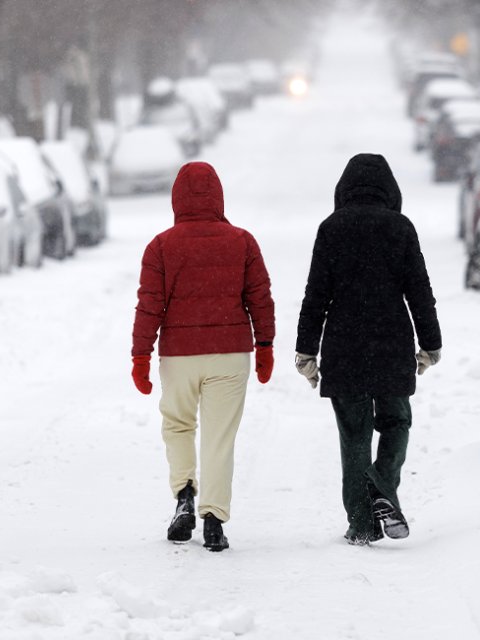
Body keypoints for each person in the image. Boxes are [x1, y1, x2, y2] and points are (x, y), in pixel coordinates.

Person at [295, 153, 442, 546]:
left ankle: (361, 522)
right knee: (396, 421)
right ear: (390, 190)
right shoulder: (401, 228)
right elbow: (419, 291)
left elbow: (316, 295)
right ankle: (383, 483)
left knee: (354, 435)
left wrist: (306, 350)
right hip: (391, 340)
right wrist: (431, 342)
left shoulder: (330, 229)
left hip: (343, 344)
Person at [130, 161, 275, 552]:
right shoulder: (242, 242)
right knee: (219, 436)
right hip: (230, 355)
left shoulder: (160, 247)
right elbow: (260, 300)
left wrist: (140, 356)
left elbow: (149, 307)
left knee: (178, 425)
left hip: (179, 356)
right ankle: (213, 519)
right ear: (218, 197)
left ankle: (184, 495)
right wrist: (265, 346)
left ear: (176, 198)